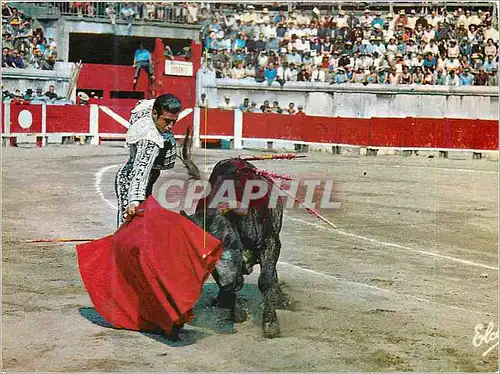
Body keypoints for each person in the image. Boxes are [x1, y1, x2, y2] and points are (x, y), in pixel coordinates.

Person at [114, 94, 181, 227]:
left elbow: (144, 103)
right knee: (128, 225)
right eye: (167, 121)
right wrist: (134, 200)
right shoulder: (150, 139)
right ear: (155, 114)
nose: (170, 126)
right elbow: (141, 170)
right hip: (131, 180)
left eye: (174, 121)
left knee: (142, 223)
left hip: (143, 177)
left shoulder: (149, 109)